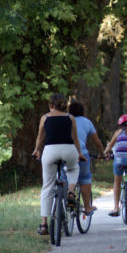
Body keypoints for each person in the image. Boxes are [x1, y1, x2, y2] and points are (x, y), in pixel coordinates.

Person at [32, 93, 87, 235]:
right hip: (68, 149)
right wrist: (80, 154)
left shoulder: (45, 118)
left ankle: (44, 224)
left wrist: (37, 150)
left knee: (47, 186)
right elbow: (75, 138)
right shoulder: (70, 118)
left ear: (51, 105)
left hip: (50, 151)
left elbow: (40, 138)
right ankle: (70, 193)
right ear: (64, 105)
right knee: (73, 169)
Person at [68, 101, 104, 216]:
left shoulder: (66, 120)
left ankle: (68, 196)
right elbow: (97, 142)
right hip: (81, 154)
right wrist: (102, 153)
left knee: (65, 177)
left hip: (66, 153)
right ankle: (88, 207)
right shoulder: (87, 122)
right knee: (85, 179)